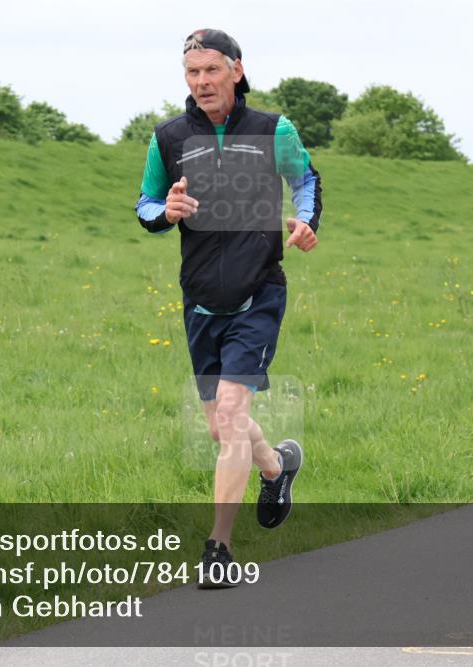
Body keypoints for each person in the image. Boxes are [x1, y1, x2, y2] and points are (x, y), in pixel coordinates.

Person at [134, 28, 323, 588]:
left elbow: (306, 179)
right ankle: (277, 467)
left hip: (258, 293)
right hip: (200, 301)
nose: (202, 82)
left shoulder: (272, 130)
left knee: (233, 416)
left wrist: (305, 221)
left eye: (211, 70)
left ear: (236, 71)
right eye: (192, 72)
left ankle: (218, 549)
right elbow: (146, 203)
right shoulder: (169, 137)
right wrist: (165, 211)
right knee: (222, 430)